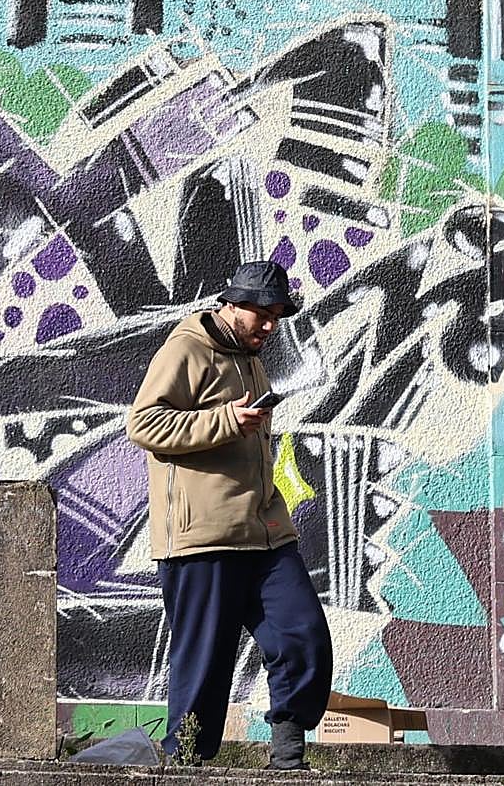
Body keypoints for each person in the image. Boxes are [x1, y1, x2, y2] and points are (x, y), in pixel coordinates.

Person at [126, 260, 333, 770]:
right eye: (262, 314)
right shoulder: (186, 349)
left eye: (277, 316)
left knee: (302, 635)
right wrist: (226, 420)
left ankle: (287, 757)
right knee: (205, 667)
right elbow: (143, 424)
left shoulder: (250, 357)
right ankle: (186, 767)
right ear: (233, 304)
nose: (270, 325)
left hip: (265, 533)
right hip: (203, 536)